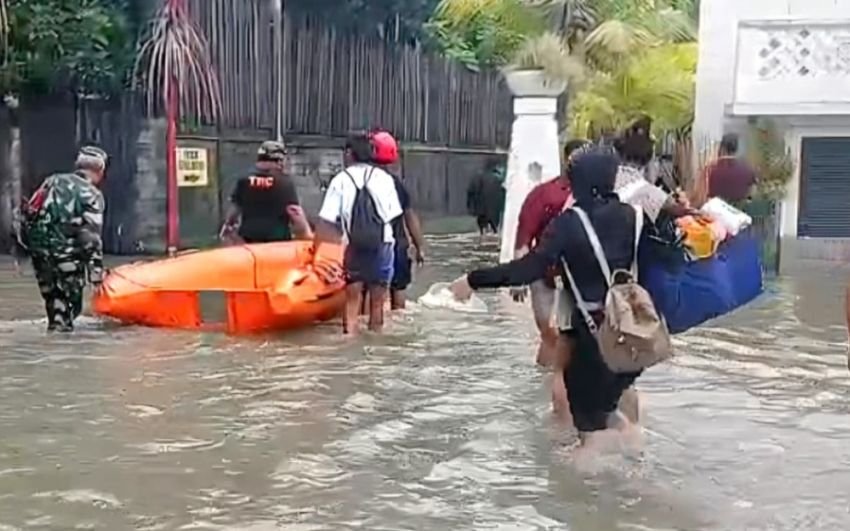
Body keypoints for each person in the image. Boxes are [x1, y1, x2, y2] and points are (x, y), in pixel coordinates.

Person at [450, 147, 656, 441]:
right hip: (630, 326)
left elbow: (528, 268)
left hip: (587, 329)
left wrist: (473, 280)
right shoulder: (635, 216)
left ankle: (581, 468)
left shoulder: (569, 223)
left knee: (588, 437)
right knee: (622, 397)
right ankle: (636, 450)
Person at [511, 139, 588, 417]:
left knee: (557, 337)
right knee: (552, 333)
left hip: (579, 279)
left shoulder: (595, 196)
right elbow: (524, 237)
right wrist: (519, 276)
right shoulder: (543, 195)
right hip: (544, 276)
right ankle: (558, 394)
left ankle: (544, 382)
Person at [312, 131, 403, 334]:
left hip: (353, 245)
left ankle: (350, 340)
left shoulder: (340, 180)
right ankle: (375, 345)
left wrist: (316, 250)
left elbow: (326, 220)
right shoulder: (385, 179)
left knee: (352, 299)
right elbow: (393, 215)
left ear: (349, 154)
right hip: (383, 244)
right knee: (377, 302)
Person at [17, 146, 108, 332]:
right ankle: (64, 351)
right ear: (99, 171)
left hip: (41, 257)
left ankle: (54, 341)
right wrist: (96, 274)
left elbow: (29, 215)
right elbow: (90, 237)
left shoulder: (51, 181)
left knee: (54, 306)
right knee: (71, 309)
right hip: (68, 261)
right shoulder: (91, 195)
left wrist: (28, 249)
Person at [370, 130, 426, 310]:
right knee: (398, 289)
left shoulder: (362, 182)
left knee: (368, 291)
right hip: (397, 245)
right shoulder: (397, 185)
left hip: (372, 245)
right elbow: (410, 217)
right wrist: (420, 248)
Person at [220, 140, 311, 244]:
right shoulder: (285, 183)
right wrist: (307, 234)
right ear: (279, 161)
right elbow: (295, 213)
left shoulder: (244, 180)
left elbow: (234, 209)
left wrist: (228, 226)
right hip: (278, 243)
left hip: (249, 241)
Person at [706, 133, 757, 206]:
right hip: (739, 210)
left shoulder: (712, 169)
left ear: (722, 148)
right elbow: (753, 190)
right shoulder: (747, 169)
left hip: (718, 210)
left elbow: (708, 193)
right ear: (736, 149)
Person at [467, 162, 505, 238]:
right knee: (494, 226)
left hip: (482, 207)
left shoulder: (478, 177)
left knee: (483, 225)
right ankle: (493, 233)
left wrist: (471, 205)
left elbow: (471, 191)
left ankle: (484, 234)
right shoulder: (497, 178)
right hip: (493, 208)